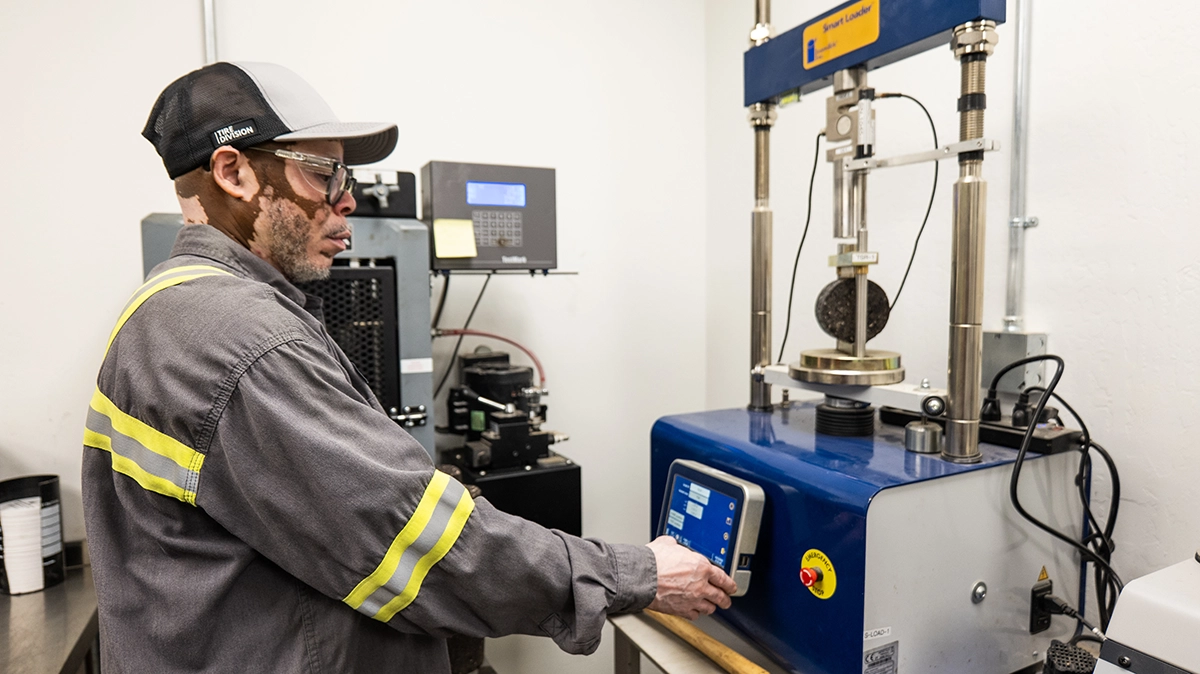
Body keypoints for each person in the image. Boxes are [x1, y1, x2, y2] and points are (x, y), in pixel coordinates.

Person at [81, 61, 736, 672]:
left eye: (349, 181)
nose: (348, 202)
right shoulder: (240, 338)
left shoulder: (173, 303)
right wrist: (635, 574)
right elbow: (418, 547)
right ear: (233, 173)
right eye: (322, 174)